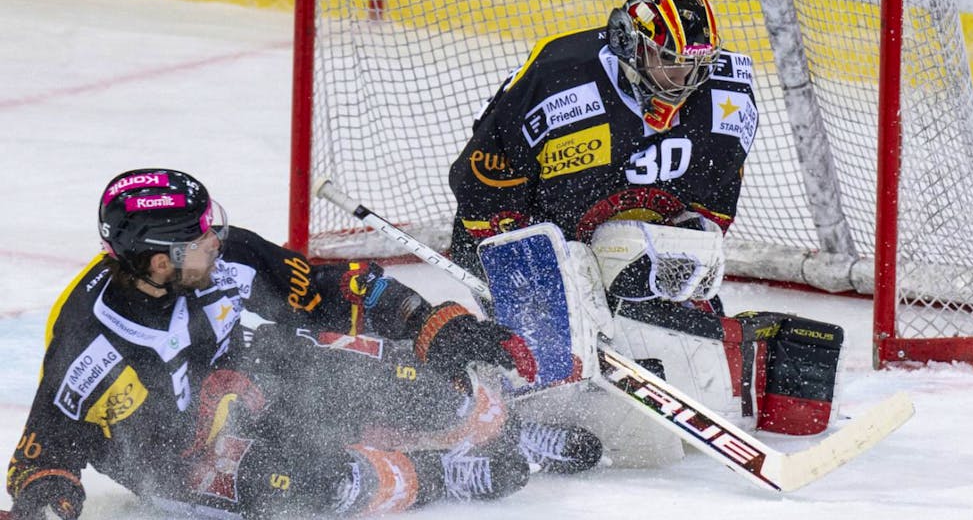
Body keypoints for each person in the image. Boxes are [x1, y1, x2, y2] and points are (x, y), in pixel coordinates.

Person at [5, 169, 599, 520]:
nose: (217, 240)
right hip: (184, 463)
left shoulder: (225, 258)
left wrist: (429, 321)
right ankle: (445, 473)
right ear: (160, 262)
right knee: (313, 482)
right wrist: (45, 507)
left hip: (247, 377)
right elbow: (43, 458)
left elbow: (324, 290)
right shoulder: (87, 346)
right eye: (201, 236)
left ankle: (504, 430)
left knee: (419, 384)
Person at [449, 0, 844, 464]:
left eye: (697, 66)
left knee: (688, 323)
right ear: (628, 43)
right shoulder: (558, 78)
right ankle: (516, 415)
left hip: (619, 238)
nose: (686, 80)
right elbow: (479, 187)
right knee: (561, 345)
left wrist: (676, 279)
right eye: (671, 63)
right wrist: (544, 292)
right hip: (521, 235)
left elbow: (710, 210)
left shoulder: (726, 97)